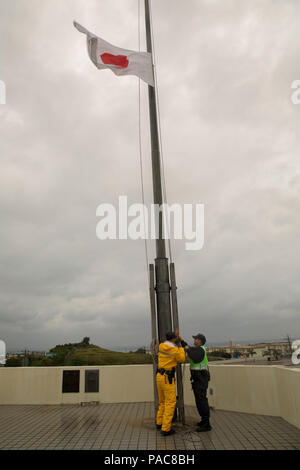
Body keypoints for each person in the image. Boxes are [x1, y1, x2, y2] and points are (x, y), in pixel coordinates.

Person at [156, 330, 186, 436]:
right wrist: (181, 347)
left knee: (162, 402)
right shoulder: (174, 349)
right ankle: (166, 428)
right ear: (174, 339)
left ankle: (159, 423)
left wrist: (175, 337)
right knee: (170, 402)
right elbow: (182, 359)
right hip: (167, 378)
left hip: (159, 376)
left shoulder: (161, 346)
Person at [181, 333, 211, 432]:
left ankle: (206, 424)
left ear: (200, 341)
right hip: (198, 379)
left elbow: (194, 356)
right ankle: (203, 420)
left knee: (202, 400)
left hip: (201, 378)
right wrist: (182, 341)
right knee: (199, 400)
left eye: (196, 339)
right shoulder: (197, 349)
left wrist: (187, 349)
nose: (194, 340)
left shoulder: (200, 350)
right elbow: (189, 348)